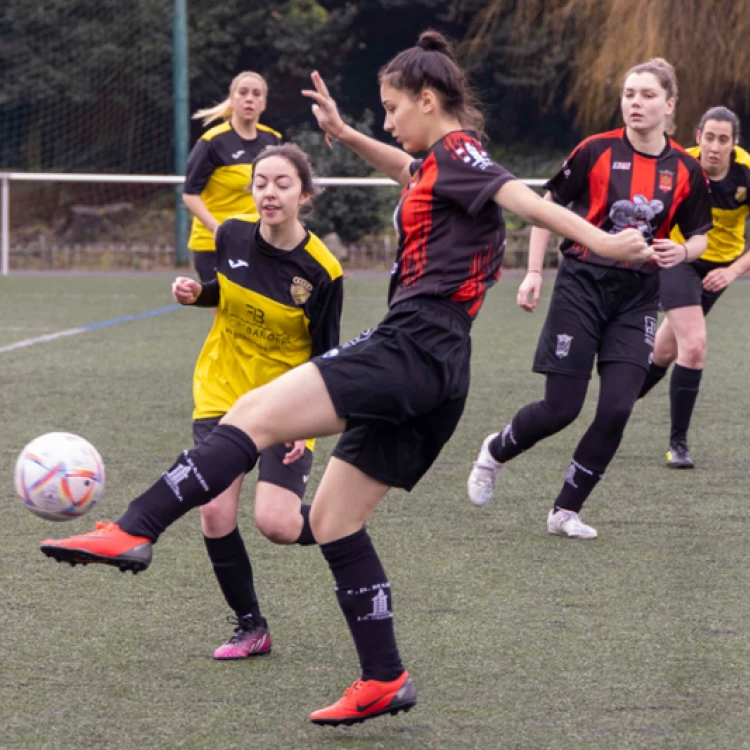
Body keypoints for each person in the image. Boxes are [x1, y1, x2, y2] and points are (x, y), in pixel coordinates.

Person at [40, 31, 650, 726]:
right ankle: (384, 677)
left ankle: (133, 528)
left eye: (393, 108)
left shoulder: (458, 153)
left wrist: (599, 241)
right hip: (441, 370)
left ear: (428, 99)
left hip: (413, 346)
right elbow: (409, 171)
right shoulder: (437, 167)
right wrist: (346, 133)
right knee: (331, 520)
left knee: (253, 413)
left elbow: (520, 196)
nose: (389, 122)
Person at [467, 58, 712, 540]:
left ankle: (565, 511)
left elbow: (702, 235)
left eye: (645, 94)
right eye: (628, 93)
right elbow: (544, 209)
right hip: (581, 286)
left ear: (669, 105)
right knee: (562, 407)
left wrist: (682, 249)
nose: (635, 103)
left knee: (618, 407)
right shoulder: (594, 151)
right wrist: (535, 272)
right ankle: (495, 451)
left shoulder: (686, 169)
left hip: (638, 296)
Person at [176, 143, 343, 659]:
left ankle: (344, 520)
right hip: (222, 391)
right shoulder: (229, 234)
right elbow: (224, 289)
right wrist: (197, 294)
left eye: (282, 183)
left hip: (287, 401)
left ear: (304, 194)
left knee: (277, 523)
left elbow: (329, 355)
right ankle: (251, 626)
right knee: (215, 513)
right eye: (261, 182)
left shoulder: (322, 271)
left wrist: (303, 421)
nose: (269, 193)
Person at [637, 106, 750, 468]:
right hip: (677, 257)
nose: (715, 146)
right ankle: (678, 444)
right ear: (698, 137)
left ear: (734, 144)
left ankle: (613, 406)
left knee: (666, 351)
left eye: (724, 139)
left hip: (720, 267)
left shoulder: (746, 171)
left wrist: (732, 272)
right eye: (709, 137)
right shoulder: (679, 165)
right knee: (695, 346)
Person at [184, 71, 282, 282]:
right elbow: (190, 194)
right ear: (232, 99)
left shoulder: (273, 140)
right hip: (215, 245)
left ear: (264, 103)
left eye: (256, 94)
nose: (249, 99)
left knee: (260, 312)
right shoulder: (213, 142)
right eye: (243, 92)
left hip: (257, 242)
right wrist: (216, 229)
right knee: (227, 312)